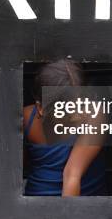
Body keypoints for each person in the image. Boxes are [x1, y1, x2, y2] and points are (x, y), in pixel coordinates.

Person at [23, 59, 106, 196]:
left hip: (82, 204)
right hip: (37, 203)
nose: (77, 116)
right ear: (41, 108)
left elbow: (72, 175)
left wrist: (67, 217)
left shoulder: (94, 115)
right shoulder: (26, 119)